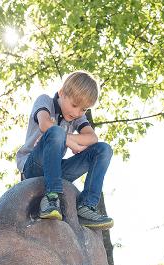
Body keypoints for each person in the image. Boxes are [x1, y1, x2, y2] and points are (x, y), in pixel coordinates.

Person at [15, 71, 114, 230]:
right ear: (62, 93)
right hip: (34, 165)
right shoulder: (45, 100)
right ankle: (52, 196)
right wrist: (72, 142)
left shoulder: (77, 117)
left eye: (84, 109)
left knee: (104, 149)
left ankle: (86, 206)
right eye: (74, 105)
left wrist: (68, 139)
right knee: (55, 132)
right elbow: (45, 124)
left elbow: (92, 138)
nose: (77, 113)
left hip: (57, 170)